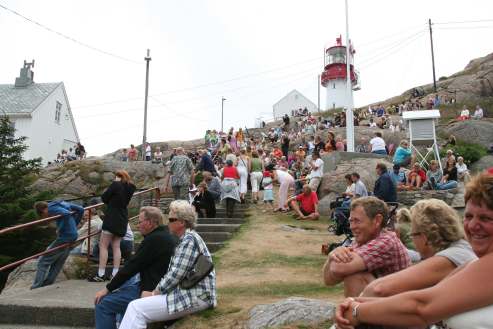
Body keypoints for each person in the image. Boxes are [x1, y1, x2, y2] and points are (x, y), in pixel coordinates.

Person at [334, 173, 493, 328]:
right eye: (469, 216)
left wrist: (356, 310)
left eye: (485, 218)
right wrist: (356, 303)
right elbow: (433, 298)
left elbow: (421, 307)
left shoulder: (464, 258)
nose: (472, 226)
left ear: (425, 236)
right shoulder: (473, 263)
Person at [118, 201, 217, 328]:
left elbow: (176, 274)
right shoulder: (187, 238)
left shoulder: (189, 240)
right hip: (193, 293)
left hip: (197, 296)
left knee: (135, 308)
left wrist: (154, 293)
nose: (167, 222)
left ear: (182, 222)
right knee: (137, 306)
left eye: (171, 219)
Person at [361, 199, 476, 299]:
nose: (413, 239)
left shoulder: (450, 257)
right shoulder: (462, 247)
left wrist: (355, 306)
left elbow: (378, 289)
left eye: (413, 235)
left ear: (424, 237)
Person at [94, 207, 177, 329]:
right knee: (125, 285)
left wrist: (107, 289)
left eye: (140, 221)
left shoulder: (154, 239)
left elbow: (132, 267)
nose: (138, 225)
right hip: (156, 283)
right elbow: (134, 265)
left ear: (149, 223)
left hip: (150, 289)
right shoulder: (165, 235)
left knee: (102, 304)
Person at [323, 197, 410, 297]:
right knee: (354, 272)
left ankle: (354, 312)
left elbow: (339, 268)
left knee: (355, 276)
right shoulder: (361, 240)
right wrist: (332, 255)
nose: (352, 227)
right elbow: (328, 280)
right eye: (351, 221)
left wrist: (336, 257)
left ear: (377, 220)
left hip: (399, 306)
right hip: (389, 302)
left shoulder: (386, 241)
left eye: (357, 221)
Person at [90, 170, 136, 282]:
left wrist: (115, 183)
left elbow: (104, 198)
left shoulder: (116, 185)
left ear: (118, 177)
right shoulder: (130, 187)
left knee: (103, 245)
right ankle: (115, 274)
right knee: (116, 246)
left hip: (112, 217)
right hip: (122, 218)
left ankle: (100, 274)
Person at [32, 200, 84, 289]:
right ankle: (47, 283)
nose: (47, 217)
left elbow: (66, 214)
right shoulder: (61, 203)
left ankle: (36, 286)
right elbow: (81, 209)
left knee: (42, 261)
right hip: (72, 235)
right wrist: (74, 225)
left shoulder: (51, 208)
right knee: (58, 262)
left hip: (65, 236)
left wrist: (60, 229)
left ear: (43, 211)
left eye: (43, 215)